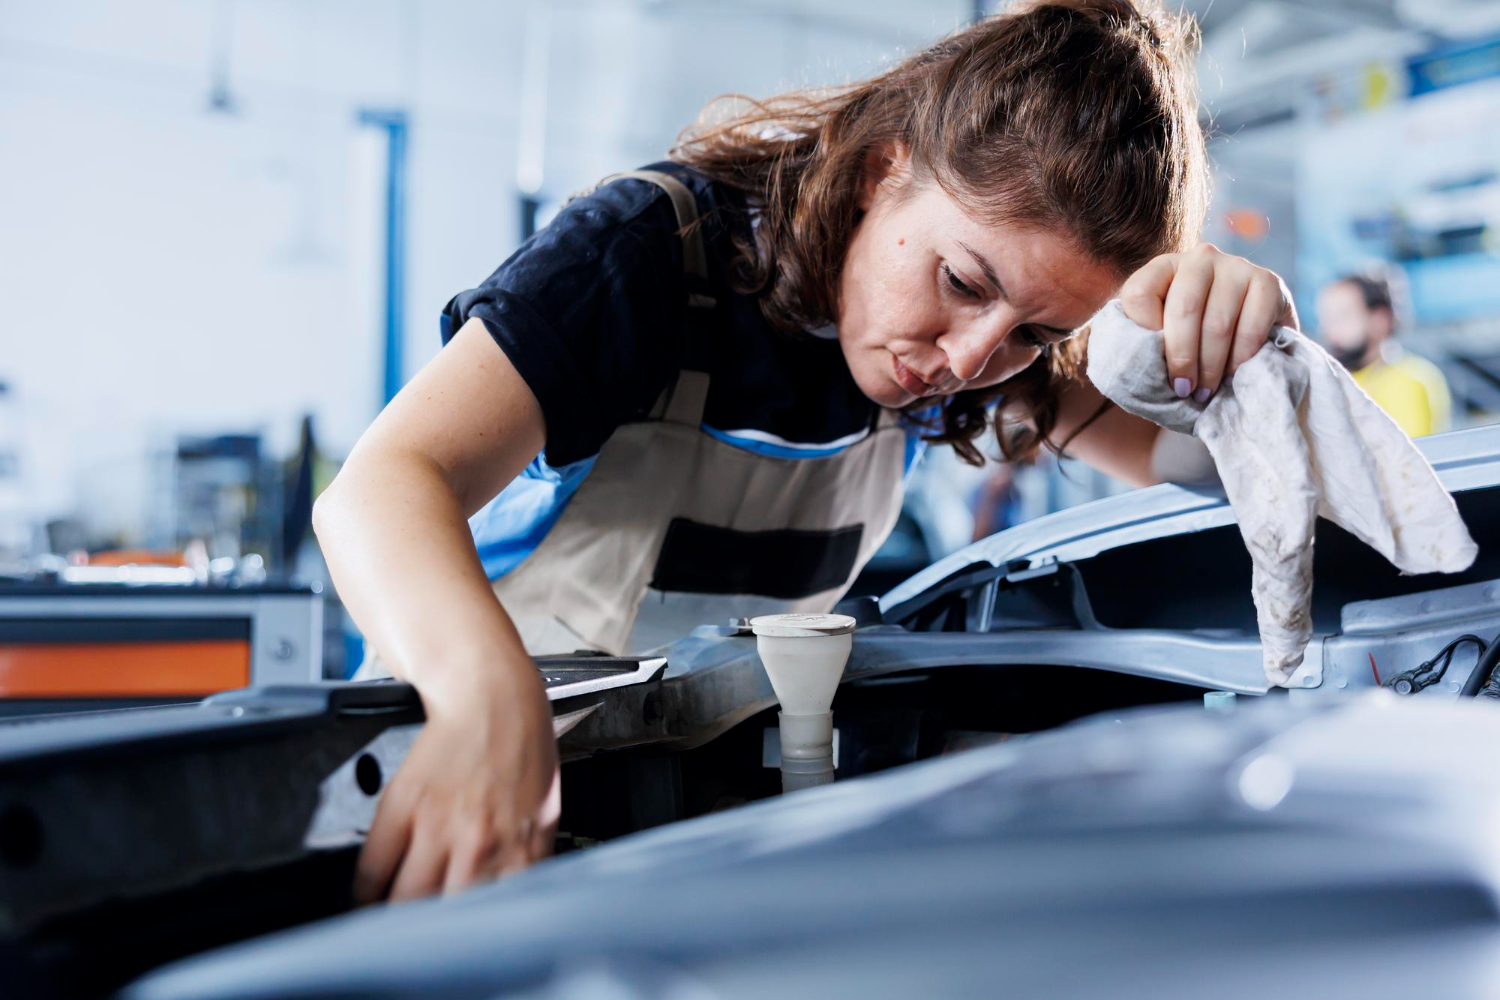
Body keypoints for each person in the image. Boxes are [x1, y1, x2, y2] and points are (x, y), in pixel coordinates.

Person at [312, 0, 1297, 903]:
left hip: (681, 835)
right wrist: (490, 697)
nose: (968, 359)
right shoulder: (646, 258)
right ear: (883, 170)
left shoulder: (988, 340)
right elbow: (381, 488)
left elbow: (1194, 470)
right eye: (959, 279)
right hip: (454, 786)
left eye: (1035, 337)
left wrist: (1251, 373)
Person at [1316, 270, 1452, 437]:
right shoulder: (1331, 382)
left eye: (1342, 317)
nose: (1328, 331)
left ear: (1379, 320)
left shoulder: (1409, 380)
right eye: (1325, 319)